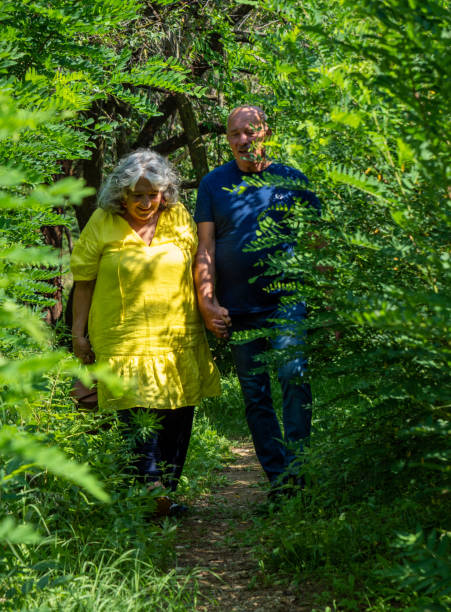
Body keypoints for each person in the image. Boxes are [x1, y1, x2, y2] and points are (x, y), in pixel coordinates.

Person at [70, 149, 220, 515]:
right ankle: (152, 489)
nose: (144, 202)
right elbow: (84, 281)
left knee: (177, 416)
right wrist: (78, 332)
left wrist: (211, 307)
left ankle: (163, 494)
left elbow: (201, 264)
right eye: (136, 194)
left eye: (151, 194)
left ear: (164, 192)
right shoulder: (103, 221)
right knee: (137, 419)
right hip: (123, 342)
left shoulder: (180, 218)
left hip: (177, 338)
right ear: (121, 192)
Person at [194, 105, 320, 499]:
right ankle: (280, 481)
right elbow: (206, 249)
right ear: (228, 139)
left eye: (250, 131)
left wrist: (327, 293)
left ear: (265, 132)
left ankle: (299, 471)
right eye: (235, 134)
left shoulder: (292, 179)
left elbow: (319, 243)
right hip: (239, 309)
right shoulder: (213, 184)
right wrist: (208, 302)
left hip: (288, 301)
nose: (243, 140)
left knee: (292, 377)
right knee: (255, 395)